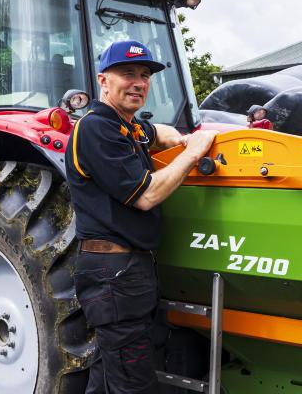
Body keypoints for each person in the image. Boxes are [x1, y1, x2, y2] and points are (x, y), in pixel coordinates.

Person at [66, 40, 217, 394]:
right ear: (103, 81)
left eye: (145, 75)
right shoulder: (96, 128)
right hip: (114, 277)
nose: (139, 82)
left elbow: (156, 133)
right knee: (133, 384)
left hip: (127, 274)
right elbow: (146, 195)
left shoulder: (126, 127)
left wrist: (176, 139)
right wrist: (193, 152)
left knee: (108, 376)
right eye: (128, 73)